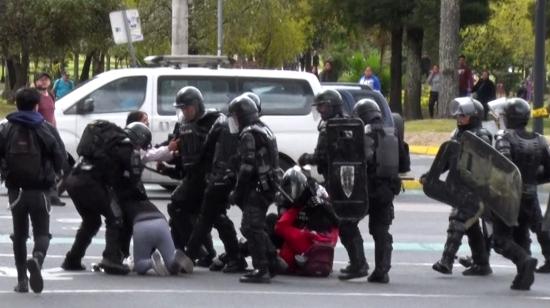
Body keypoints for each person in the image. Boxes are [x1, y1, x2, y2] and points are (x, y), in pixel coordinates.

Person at [0, 88, 65, 293]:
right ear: (37, 105)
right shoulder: (45, 127)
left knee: (19, 235)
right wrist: (56, 175)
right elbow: (60, 156)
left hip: (16, 190)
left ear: (17, 104)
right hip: (41, 189)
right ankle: (37, 258)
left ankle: (22, 281)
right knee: (42, 232)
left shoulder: (6, 128)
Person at [423, 97, 493, 277]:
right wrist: (430, 176)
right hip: (460, 187)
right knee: (470, 226)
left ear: (474, 116)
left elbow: (484, 165)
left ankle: (446, 261)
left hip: (474, 189)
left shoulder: (481, 135)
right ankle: (481, 262)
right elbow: (448, 160)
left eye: (464, 115)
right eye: (459, 114)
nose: (459, 118)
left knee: (458, 220)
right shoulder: (457, 134)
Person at [115, 122, 194, 276]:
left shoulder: (119, 159)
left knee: (140, 265)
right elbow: (155, 154)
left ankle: (149, 261)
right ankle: (174, 260)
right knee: (171, 264)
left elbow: (121, 227)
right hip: (161, 221)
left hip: (141, 226)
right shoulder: (137, 159)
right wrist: (170, 150)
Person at [157, 86, 221, 266]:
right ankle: (190, 252)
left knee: (179, 207)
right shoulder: (183, 125)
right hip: (193, 177)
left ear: (197, 105)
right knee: (185, 213)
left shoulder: (212, 122)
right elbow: (177, 151)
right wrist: (165, 165)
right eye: (182, 109)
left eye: (188, 108)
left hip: (208, 177)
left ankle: (199, 251)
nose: (185, 112)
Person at [227, 95, 285, 283]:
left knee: (251, 226)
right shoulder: (263, 129)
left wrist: (236, 191)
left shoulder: (248, 134)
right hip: (268, 185)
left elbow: (247, 166)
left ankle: (262, 269)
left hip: (258, 186)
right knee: (251, 226)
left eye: (235, 117)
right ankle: (273, 261)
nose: (234, 121)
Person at [493, 98, 550, 290]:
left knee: (501, 240)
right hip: (530, 195)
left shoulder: (504, 137)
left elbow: (503, 167)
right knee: (523, 234)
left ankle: (524, 260)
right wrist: (532, 179)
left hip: (509, 196)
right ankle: (523, 275)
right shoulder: (540, 140)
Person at [351, 98, 402, 283]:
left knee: (347, 224)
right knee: (381, 231)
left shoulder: (363, 134)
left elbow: (355, 160)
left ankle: (358, 264)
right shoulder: (393, 133)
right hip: (387, 190)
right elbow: (404, 163)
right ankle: (382, 270)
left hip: (365, 190)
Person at [271, 166, 339, 276]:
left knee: (273, 222)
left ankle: (269, 256)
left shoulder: (318, 192)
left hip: (307, 241)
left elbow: (280, 226)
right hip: (321, 239)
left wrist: (298, 207)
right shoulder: (284, 196)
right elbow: (337, 224)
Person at [34, 72, 66, 206]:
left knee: (52, 164)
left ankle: (53, 195)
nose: (44, 82)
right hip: (40, 134)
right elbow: (34, 114)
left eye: (47, 80)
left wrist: (55, 130)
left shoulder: (51, 95)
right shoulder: (35, 97)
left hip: (51, 133)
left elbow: (52, 115)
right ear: (36, 82)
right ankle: (39, 194)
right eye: (41, 80)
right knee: (41, 165)